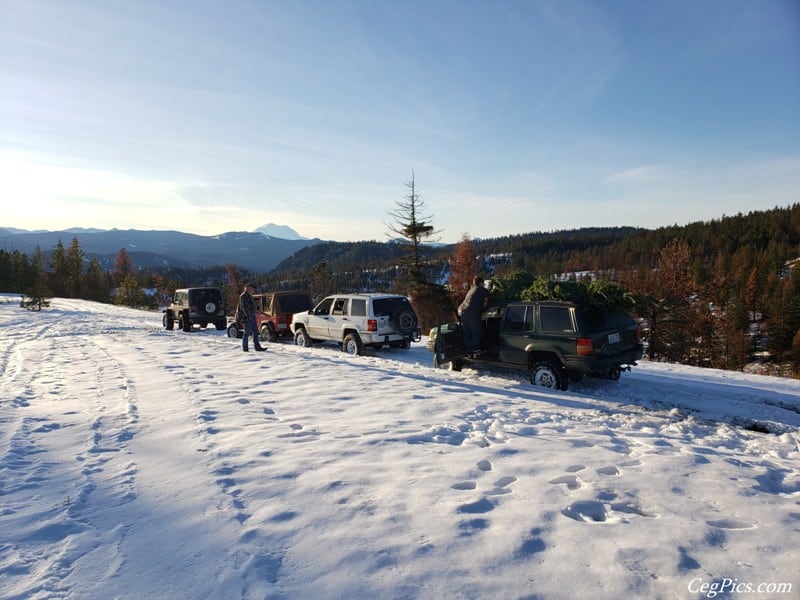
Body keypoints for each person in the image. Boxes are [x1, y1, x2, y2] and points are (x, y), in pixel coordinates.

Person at [458, 276, 489, 356]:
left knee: (467, 332)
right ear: (481, 282)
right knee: (476, 331)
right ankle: (476, 350)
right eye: (483, 283)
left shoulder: (470, 290)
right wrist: (484, 310)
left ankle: (468, 350)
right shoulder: (482, 290)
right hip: (473, 314)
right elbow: (486, 302)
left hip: (463, 313)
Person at [235, 283, 266, 352]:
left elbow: (251, 306)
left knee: (256, 332)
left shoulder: (249, 296)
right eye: (253, 288)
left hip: (252, 316)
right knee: (247, 333)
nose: (254, 290)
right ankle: (245, 348)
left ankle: (257, 347)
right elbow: (244, 308)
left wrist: (256, 311)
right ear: (248, 288)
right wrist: (249, 316)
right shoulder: (243, 296)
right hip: (247, 318)